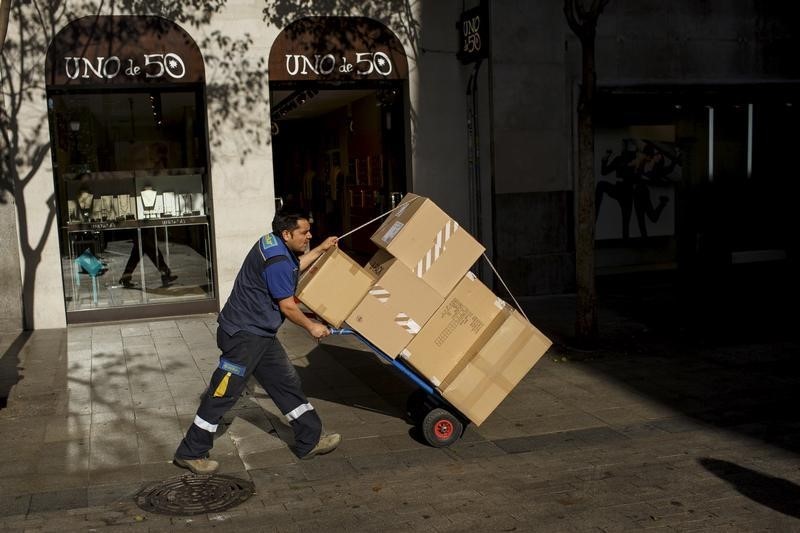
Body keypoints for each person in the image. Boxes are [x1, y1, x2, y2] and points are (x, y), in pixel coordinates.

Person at [173, 211, 341, 474]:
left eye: (310, 232)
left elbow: (292, 269)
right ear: (287, 234)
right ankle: (190, 452)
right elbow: (287, 306)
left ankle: (309, 440)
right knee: (222, 393)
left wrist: (320, 249)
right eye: (304, 233)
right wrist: (312, 327)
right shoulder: (278, 263)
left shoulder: (270, 242)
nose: (309, 236)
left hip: (259, 336)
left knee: (286, 383)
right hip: (244, 337)